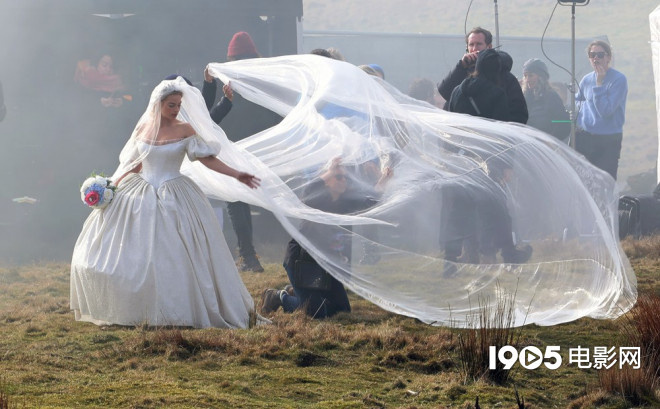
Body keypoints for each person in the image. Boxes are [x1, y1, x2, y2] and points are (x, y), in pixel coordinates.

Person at [70, 77, 263, 329]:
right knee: (130, 254)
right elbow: (134, 165)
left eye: (178, 105)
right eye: (171, 105)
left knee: (175, 253)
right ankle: (136, 307)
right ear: (158, 103)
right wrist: (110, 186)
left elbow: (207, 159)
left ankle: (178, 309)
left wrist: (236, 174)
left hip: (176, 194)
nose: (176, 109)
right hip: (140, 192)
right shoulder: (144, 128)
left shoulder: (185, 130)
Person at [261, 158, 392, 318]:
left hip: (326, 263)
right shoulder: (314, 198)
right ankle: (278, 297)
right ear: (327, 180)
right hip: (302, 261)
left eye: (345, 178)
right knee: (316, 312)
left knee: (341, 310)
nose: (343, 180)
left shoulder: (346, 202)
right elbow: (310, 188)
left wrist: (384, 179)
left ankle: (295, 291)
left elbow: (370, 202)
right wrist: (331, 170)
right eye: (339, 177)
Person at [202, 31, 283, 272]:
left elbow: (207, 113)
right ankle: (251, 255)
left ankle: (248, 255)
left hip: (234, 146)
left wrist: (210, 84)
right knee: (253, 198)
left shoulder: (228, 80)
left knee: (236, 200)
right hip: (260, 146)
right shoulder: (264, 79)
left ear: (230, 58)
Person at [437, 27, 528, 123]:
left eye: (479, 44)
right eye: (471, 44)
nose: (474, 48)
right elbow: (445, 93)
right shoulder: (462, 71)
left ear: (489, 47)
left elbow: (519, 113)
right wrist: (461, 66)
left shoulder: (505, 76)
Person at [575, 40, 628, 180]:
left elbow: (605, 111)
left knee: (605, 181)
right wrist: (583, 119)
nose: (596, 58)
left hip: (608, 140)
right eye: (592, 55)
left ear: (608, 57)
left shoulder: (619, 79)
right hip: (586, 137)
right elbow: (577, 102)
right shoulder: (586, 79)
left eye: (600, 55)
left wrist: (599, 84)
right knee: (584, 180)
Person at [447, 48, 510, 121]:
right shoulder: (498, 94)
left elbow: (451, 119)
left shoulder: (457, 91)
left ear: (477, 66)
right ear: (497, 69)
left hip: (460, 128)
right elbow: (501, 123)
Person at [521, 59, 571, 143]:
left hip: (544, 145)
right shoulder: (525, 97)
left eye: (531, 75)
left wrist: (550, 141)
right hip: (527, 144)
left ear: (541, 77)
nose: (527, 79)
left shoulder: (551, 97)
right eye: (525, 76)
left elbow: (564, 124)